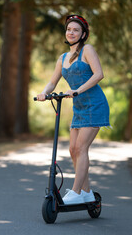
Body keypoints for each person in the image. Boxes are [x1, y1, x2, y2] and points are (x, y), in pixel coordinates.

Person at [36, 15, 110, 205]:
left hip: (94, 105)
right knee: (72, 150)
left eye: (76, 30)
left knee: (81, 148)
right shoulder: (62, 58)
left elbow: (99, 74)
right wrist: (44, 93)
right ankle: (86, 192)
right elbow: (53, 82)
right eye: (69, 29)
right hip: (79, 108)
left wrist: (77, 90)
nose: (71, 32)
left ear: (83, 34)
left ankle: (76, 192)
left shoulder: (88, 50)